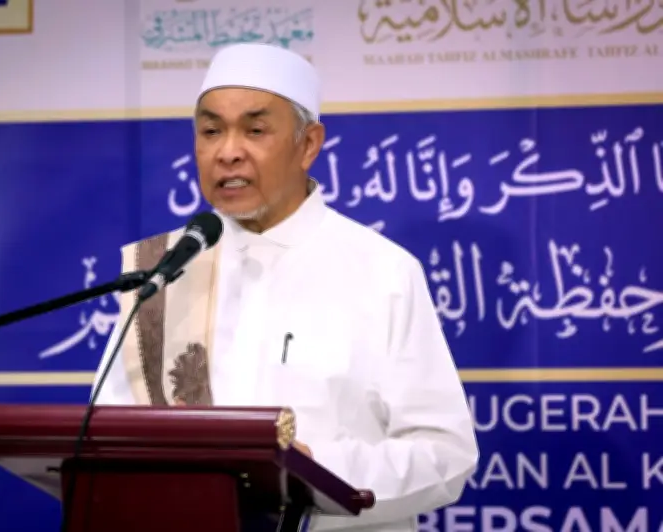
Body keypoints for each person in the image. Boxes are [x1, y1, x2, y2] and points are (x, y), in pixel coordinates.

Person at [92, 42, 478, 531]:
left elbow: (445, 452)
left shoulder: (382, 272)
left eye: (255, 130)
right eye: (211, 131)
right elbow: (105, 433)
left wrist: (317, 471)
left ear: (308, 145)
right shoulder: (163, 270)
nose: (228, 152)